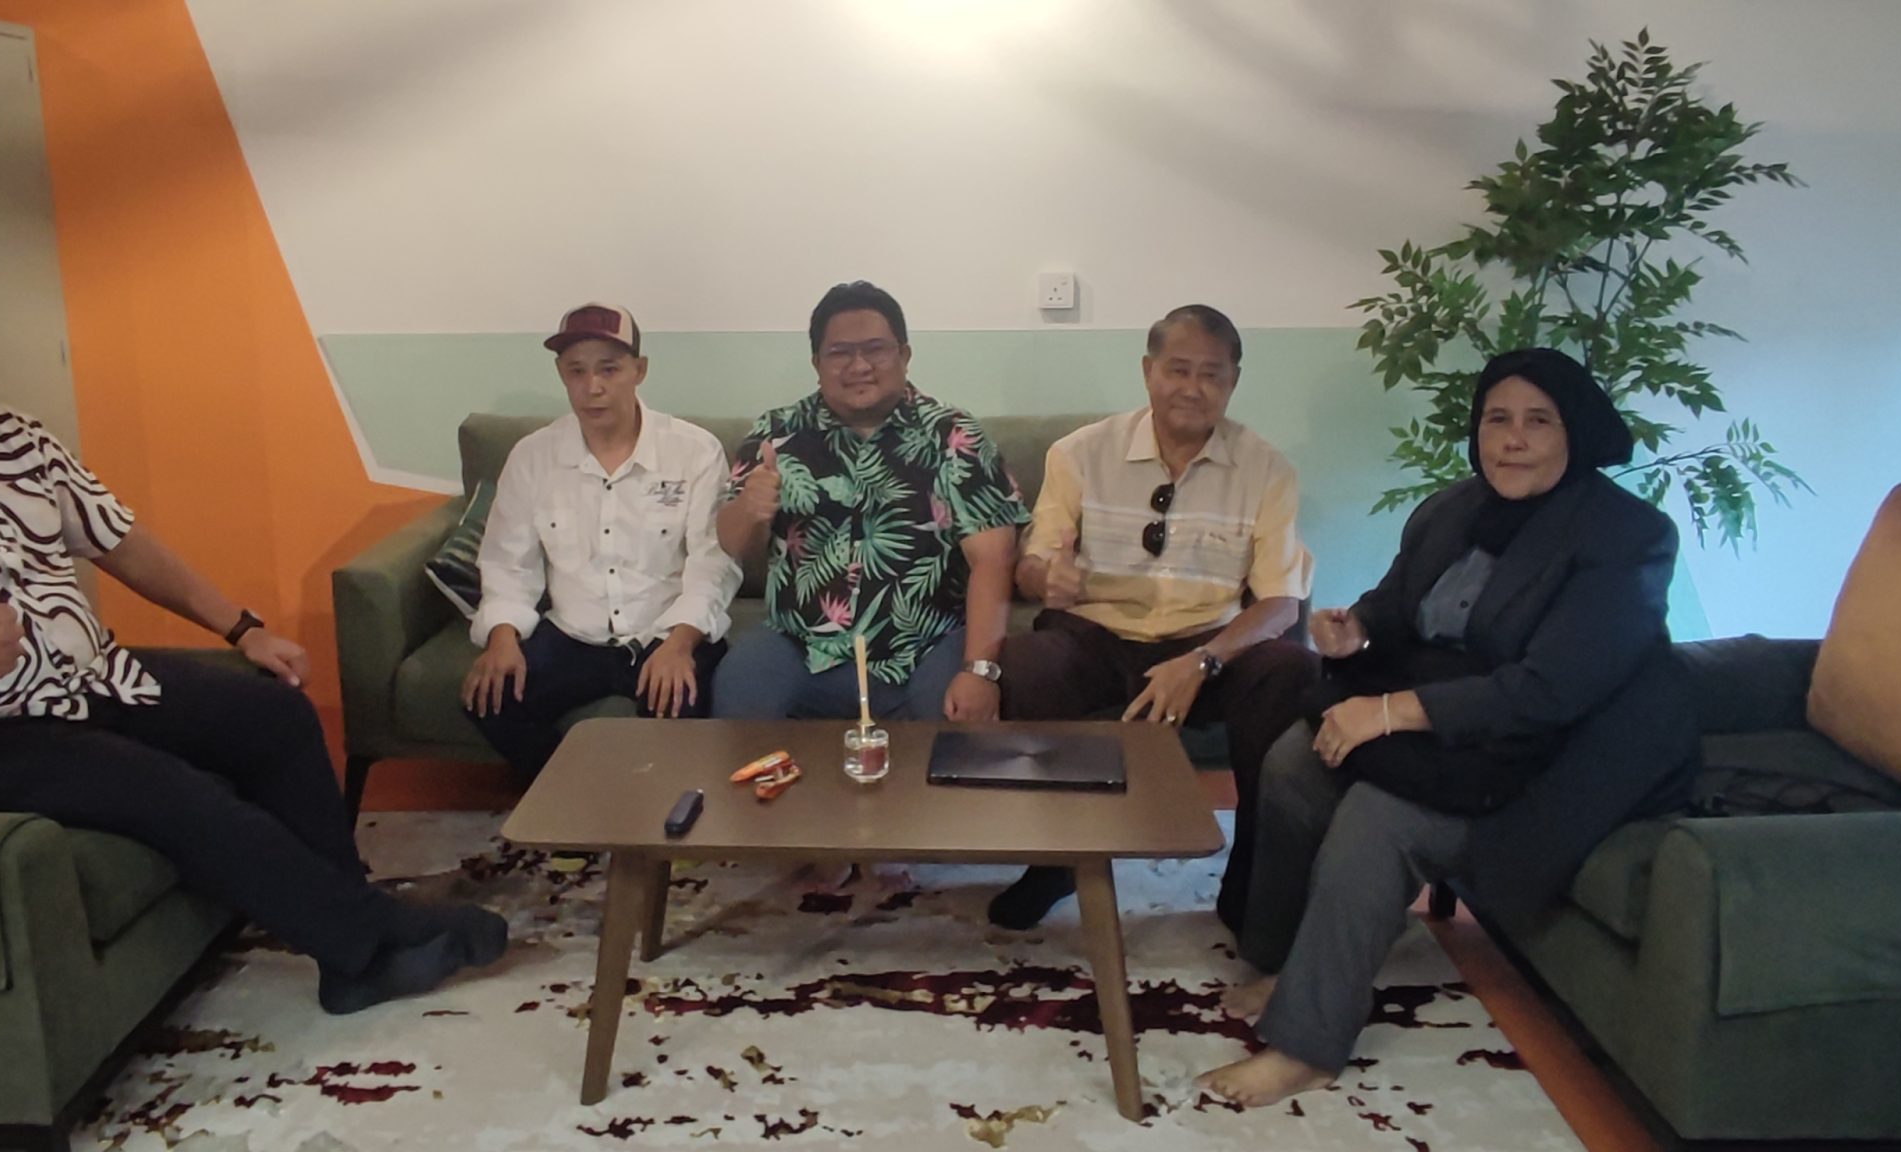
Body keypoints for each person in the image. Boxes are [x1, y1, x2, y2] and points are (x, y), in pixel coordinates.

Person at [0, 260, 506, 1017]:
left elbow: (119, 541)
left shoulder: (11, 437)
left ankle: (348, 940)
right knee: (170, 791)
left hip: (87, 684)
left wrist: (241, 628)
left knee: (273, 716)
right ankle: (366, 944)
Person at [1197, 348, 1699, 1106]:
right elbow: (1397, 604)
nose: (1513, 440)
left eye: (1539, 421)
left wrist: (1386, 713)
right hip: (1454, 729)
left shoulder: (1627, 536)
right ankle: (1289, 961)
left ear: (1577, 433)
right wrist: (1356, 630)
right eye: (1497, 419)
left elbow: (1551, 689)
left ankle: (1307, 1045)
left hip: (1552, 758)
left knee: (1381, 815)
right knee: (1296, 761)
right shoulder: (1452, 509)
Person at [984, 304, 1321, 930]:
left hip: (1207, 646)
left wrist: (1203, 661)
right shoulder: (1080, 453)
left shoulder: (1266, 469)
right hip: (1099, 637)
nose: (1192, 388)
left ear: (1233, 382)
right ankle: (1056, 859)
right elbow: (1032, 563)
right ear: (1148, 371)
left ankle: (1253, 872)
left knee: (1290, 670)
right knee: (1027, 659)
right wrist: (1044, 578)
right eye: (1178, 369)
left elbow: (1280, 602)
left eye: (1211, 375)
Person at [709, 281, 1026, 722]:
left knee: (954, 728)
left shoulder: (954, 436)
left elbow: (993, 559)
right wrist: (749, 508)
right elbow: (729, 543)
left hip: (926, 645)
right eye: (839, 353)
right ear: (817, 363)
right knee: (741, 685)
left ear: (904, 355)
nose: (859, 366)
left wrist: (979, 670)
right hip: (800, 646)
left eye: (875, 349)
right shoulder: (777, 432)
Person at [461, 304, 741, 781]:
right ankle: (573, 801)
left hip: (664, 630)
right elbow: (508, 563)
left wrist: (680, 645)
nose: (593, 387)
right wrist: (501, 638)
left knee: (681, 710)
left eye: (609, 369)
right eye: (577, 371)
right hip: (574, 633)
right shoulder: (532, 457)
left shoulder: (693, 451)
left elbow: (713, 562)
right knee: (490, 700)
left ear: (639, 370)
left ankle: (650, 814)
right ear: (561, 374)